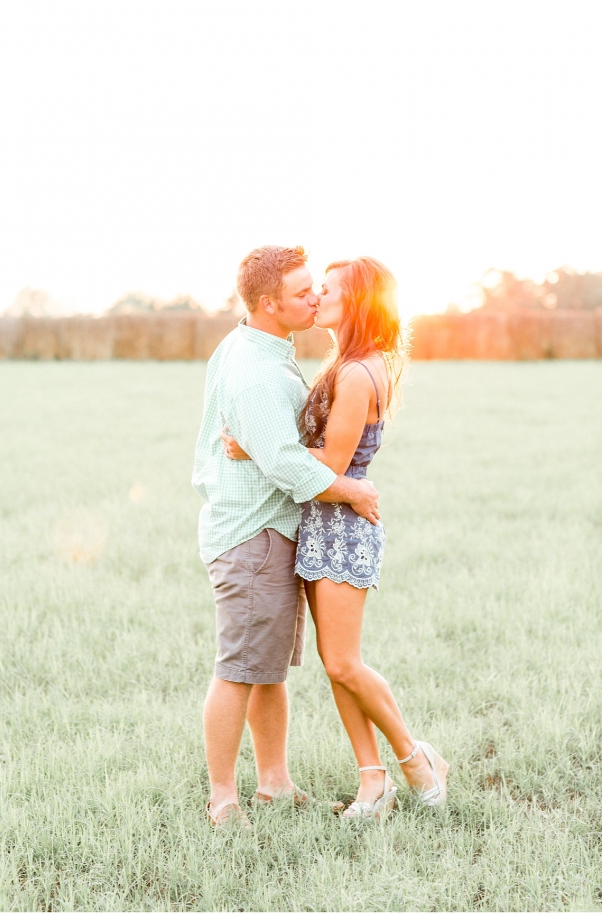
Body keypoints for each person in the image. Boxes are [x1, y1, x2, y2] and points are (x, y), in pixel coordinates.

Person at [223, 257, 449, 818]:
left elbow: (329, 463)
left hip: (342, 527)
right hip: (322, 525)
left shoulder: (354, 373)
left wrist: (255, 446)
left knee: (345, 663)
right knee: (336, 662)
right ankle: (371, 780)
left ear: (359, 305)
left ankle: (415, 758)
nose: (318, 296)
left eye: (331, 290)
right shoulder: (345, 363)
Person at [192, 245, 381, 829]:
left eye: (316, 288)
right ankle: (224, 800)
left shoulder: (260, 347)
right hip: (255, 537)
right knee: (238, 669)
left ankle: (274, 785)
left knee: (266, 669)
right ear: (269, 303)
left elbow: (273, 446)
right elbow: (289, 464)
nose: (316, 297)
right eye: (303, 292)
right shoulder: (256, 371)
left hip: (270, 533)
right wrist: (354, 491)